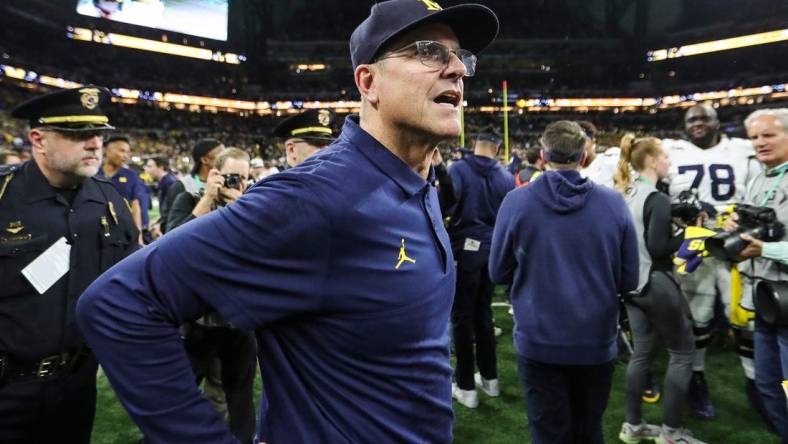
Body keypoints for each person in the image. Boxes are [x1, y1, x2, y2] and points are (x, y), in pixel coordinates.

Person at [76, 1, 499, 443]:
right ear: (368, 82)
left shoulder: (420, 180)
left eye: (459, 56)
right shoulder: (315, 197)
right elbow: (117, 303)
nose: (457, 70)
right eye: (429, 52)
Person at [0, 86, 138, 443]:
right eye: (78, 135)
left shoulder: (109, 199)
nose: (94, 143)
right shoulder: (4, 198)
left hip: (76, 387)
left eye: (97, 134)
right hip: (7, 389)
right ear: (38, 139)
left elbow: (129, 279)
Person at [489, 120, 639, 444]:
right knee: (589, 431)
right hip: (596, 341)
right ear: (584, 156)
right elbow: (630, 279)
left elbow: (498, 271)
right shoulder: (614, 203)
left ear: (542, 156)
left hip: (539, 339)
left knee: (548, 433)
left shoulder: (517, 202)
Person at [662, 104, 763, 419]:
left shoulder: (743, 149)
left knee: (748, 315)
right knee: (698, 314)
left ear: (718, 122)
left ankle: (756, 382)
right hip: (695, 239)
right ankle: (697, 376)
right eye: (692, 119)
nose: (698, 123)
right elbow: (660, 190)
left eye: (705, 117)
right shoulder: (672, 151)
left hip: (740, 239)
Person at [613, 135, 704, 444]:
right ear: (651, 160)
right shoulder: (657, 198)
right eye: (664, 157)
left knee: (641, 354)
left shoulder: (624, 191)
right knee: (681, 353)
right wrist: (692, 234)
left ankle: (633, 425)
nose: (668, 162)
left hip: (630, 284)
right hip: (655, 280)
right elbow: (660, 247)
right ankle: (671, 433)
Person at [168, 148, 257, 443]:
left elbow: (264, 251)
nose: (237, 183)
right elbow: (171, 248)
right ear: (215, 174)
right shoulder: (190, 199)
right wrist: (208, 199)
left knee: (240, 397)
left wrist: (241, 207)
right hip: (197, 320)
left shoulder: (254, 204)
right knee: (179, 394)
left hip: (239, 323)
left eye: (243, 178)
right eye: (231, 176)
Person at [726, 108, 788, 442]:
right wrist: (738, 227)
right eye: (754, 137)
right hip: (767, 302)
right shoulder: (757, 178)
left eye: (769, 135)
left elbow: (767, 244)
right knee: (767, 384)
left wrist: (766, 249)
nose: (760, 143)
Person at [447, 125, 514, 408]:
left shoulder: (460, 169)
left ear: (475, 144)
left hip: (467, 249)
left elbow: (449, 205)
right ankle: (490, 379)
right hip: (493, 252)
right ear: (497, 148)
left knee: (462, 317)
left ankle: (465, 386)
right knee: (483, 313)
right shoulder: (507, 176)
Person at [161, 138, 224, 233]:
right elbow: (167, 226)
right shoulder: (182, 186)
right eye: (221, 154)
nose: (226, 157)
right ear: (204, 159)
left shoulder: (225, 182)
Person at [99, 135, 146, 240]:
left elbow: (135, 205)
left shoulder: (131, 175)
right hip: (97, 230)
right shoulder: (93, 173)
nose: (126, 156)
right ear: (106, 150)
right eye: (122, 151)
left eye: (128, 152)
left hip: (123, 232)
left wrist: (138, 236)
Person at [143, 155, 176, 239]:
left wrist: (160, 226)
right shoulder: (165, 182)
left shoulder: (170, 183)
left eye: (150, 166)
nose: (147, 169)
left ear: (160, 167)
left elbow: (172, 211)